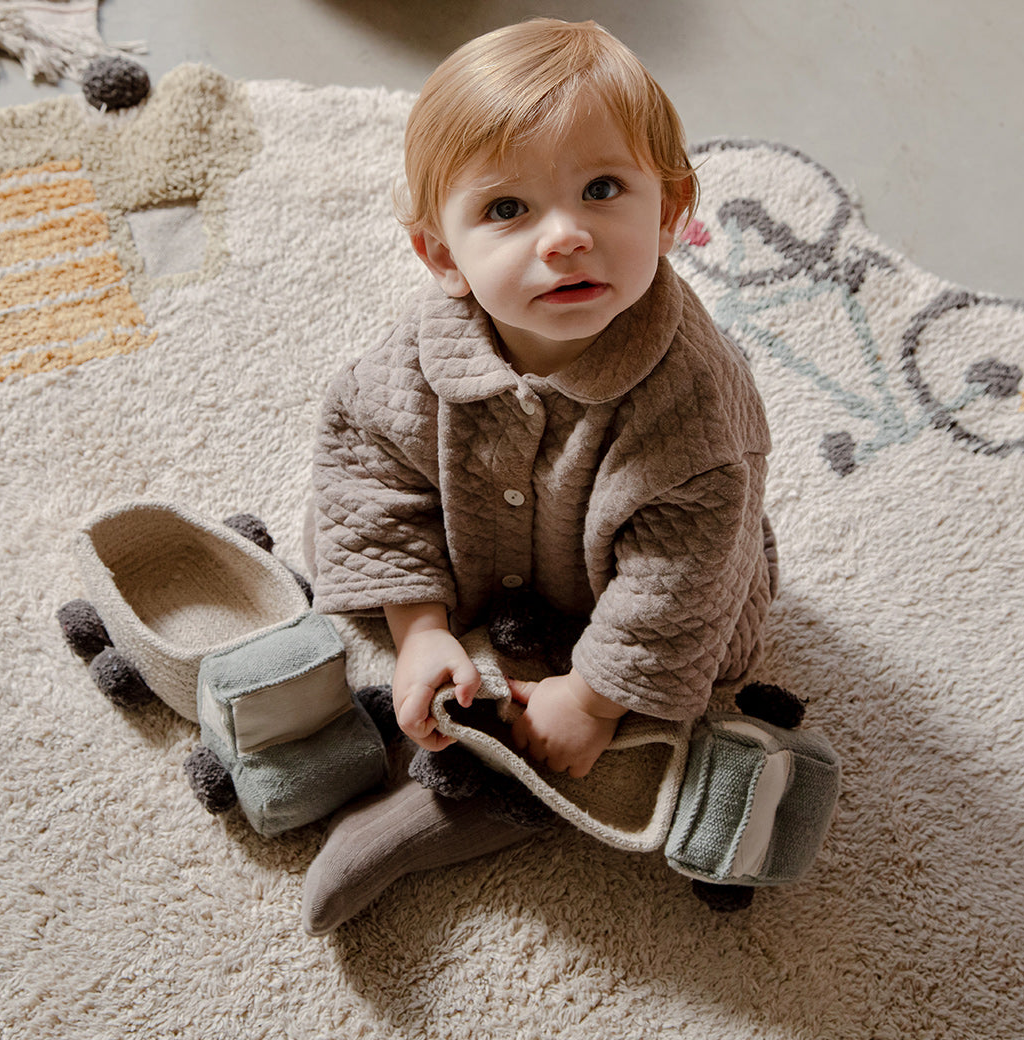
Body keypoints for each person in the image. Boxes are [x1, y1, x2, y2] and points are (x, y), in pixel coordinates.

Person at [301, 17, 775, 935]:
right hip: (480, 550)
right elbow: (367, 471)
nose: (565, 237)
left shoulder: (696, 405)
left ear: (673, 210)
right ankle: (409, 719)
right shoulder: (412, 360)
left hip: (629, 586)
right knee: (343, 520)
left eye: (603, 190)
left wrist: (591, 696)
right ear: (441, 254)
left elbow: (682, 574)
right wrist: (420, 629)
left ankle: (462, 806)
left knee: (660, 684)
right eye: (507, 210)